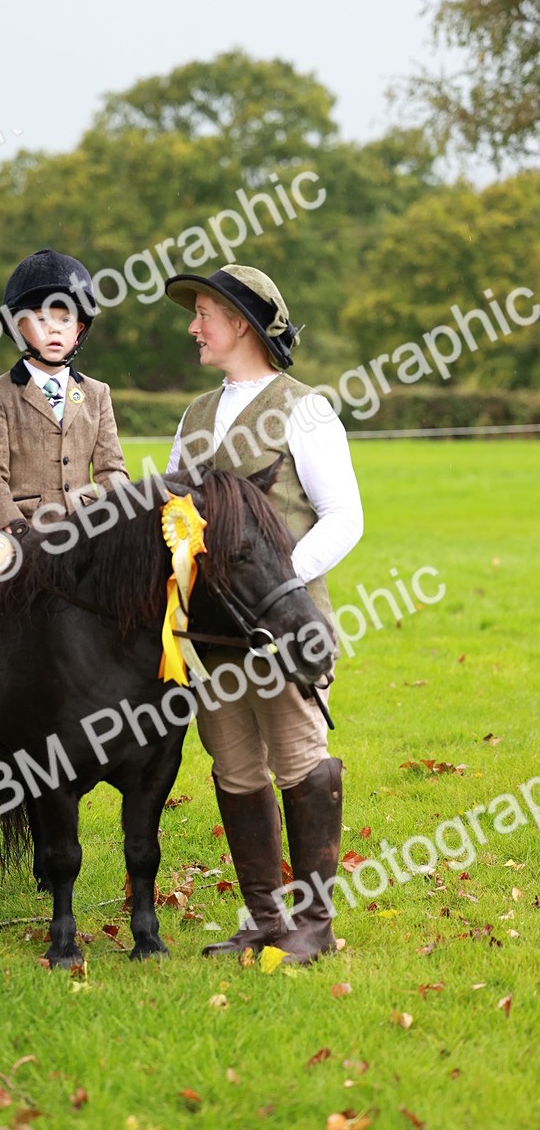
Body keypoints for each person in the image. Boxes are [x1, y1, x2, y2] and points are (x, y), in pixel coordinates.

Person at [164, 264, 364, 964]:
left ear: (241, 323)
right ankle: (262, 918)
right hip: (211, 636)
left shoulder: (303, 408)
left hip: (285, 629)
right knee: (235, 765)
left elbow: (344, 518)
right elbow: (172, 521)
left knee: (299, 759)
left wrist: (275, 583)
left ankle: (314, 926)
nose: (194, 327)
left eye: (205, 314)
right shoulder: (192, 417)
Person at [0, 248, 129, 720]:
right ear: (18, 329)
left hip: (84, 519)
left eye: (64, 318)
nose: (53, 329)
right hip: (20, 526)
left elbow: (113, 468)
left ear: (81, 329)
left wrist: (109, 505)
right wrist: (14, 527)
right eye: (39, 318)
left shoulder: (97, 394)